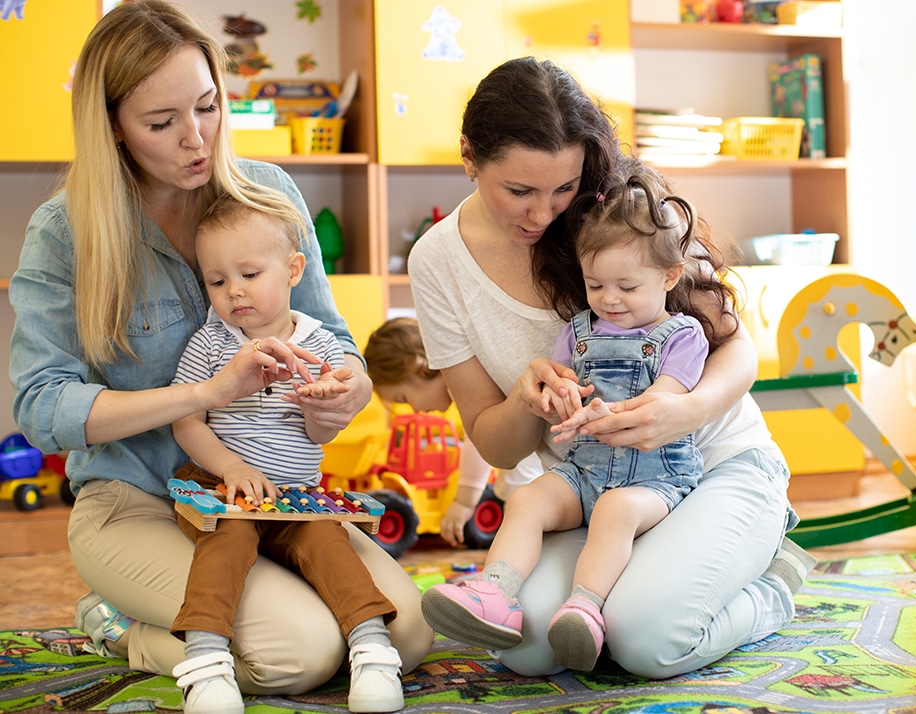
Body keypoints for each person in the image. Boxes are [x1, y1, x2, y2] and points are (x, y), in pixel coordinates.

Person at [7, 1, 432, 710]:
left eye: (207, 106)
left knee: (406, 634)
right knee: (300, 653)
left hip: (273, 498)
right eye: (161, 122)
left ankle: (222, 617)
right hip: (137, 501)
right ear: (112, 124)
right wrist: (205, 395)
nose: (196, 138)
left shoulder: (270, 196)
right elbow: (42, 408)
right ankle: (120, 628)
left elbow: (335, 342)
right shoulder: (65, 232)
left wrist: (344, 392)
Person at [407, 56, 817, 679]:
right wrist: (524, 401)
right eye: (519, 190)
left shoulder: (624, 213)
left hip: (712, 465)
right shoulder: (436, 261)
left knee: (644, 642)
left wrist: (688, 409)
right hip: (590, 486)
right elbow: (492, 441)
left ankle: (771, 585)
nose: (543, 214)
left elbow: (737, 347)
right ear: (469, 156)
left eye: (562, 189)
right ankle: (643, 582)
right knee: (526, 646)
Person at [421, 166, 713, 672]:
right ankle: (495, 593)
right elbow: (567, 385)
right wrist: (558, 398)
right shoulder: (578, 331)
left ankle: (586, 606)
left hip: (654, 477)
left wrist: (609, 412)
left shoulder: (682, 335)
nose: (609, 299)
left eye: (626, 286)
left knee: (616, 512)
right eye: (595, 284)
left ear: (668, 277)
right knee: (529, 497)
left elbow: (663, 403)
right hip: (583, 471)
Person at [168, 196, 403, 713]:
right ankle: (206, 665)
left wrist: (322, 410)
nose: (234, 292)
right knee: (224, 546)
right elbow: (186, 419)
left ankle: (372, 650)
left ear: (294, 269)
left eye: (249, 273)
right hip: (222, 490)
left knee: (331, 548)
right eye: (216, 281)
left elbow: (321, 437)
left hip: (296, 497)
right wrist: (231, 466)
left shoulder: (321, 343)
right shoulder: (210, 343)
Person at [364, 316, 544, 545]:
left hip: (529, 429)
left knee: (518, 495)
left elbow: (478, 440)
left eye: (405, 398)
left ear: (415, 365)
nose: (417, 409)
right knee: (513, 492)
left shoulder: (459, 377)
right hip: (524, 430)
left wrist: (464, 502)